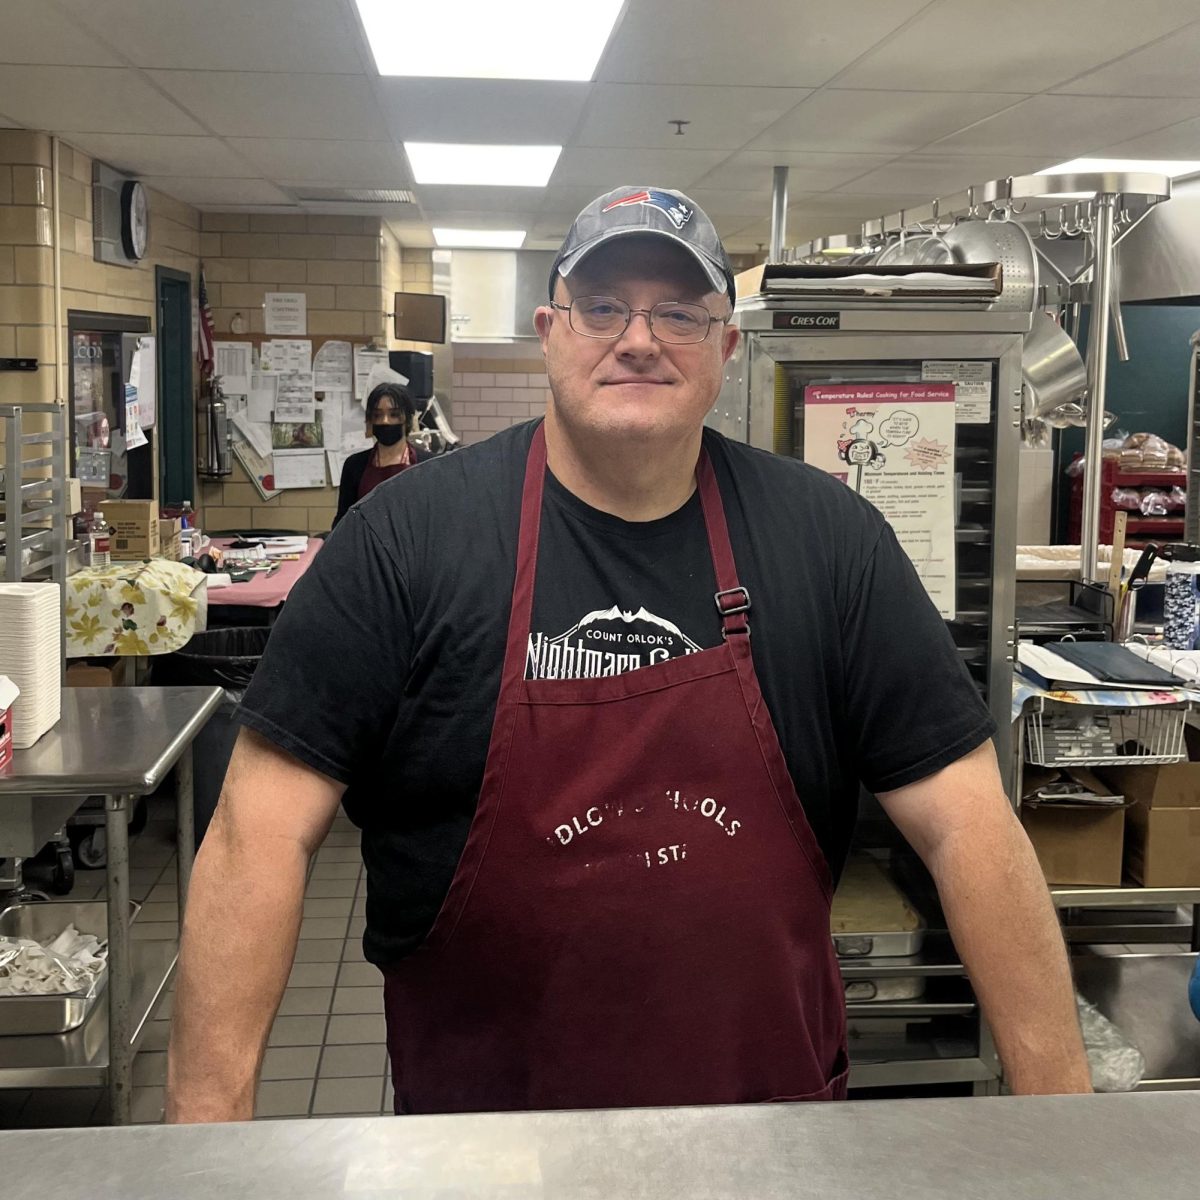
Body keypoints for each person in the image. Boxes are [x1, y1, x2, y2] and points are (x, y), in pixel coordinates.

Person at [167, 185, 1091, 1122]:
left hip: (766, 1131)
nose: (638, 337)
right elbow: (258, 832)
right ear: (550, 329)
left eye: (679, 312)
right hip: (483, 1144)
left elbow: (967, 823)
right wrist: (203, 1140)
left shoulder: (830, 541)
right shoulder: (403, 541)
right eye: (602, 305)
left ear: (726, 348)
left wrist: (1065, 1120)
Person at [332, 381, 429, 528]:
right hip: (366, 548)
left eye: (394, 414)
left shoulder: (428, 465)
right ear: (370, 420)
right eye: (378, 415)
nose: (385, 421)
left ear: (408, 419)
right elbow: (342, 522)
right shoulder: (354, 465)